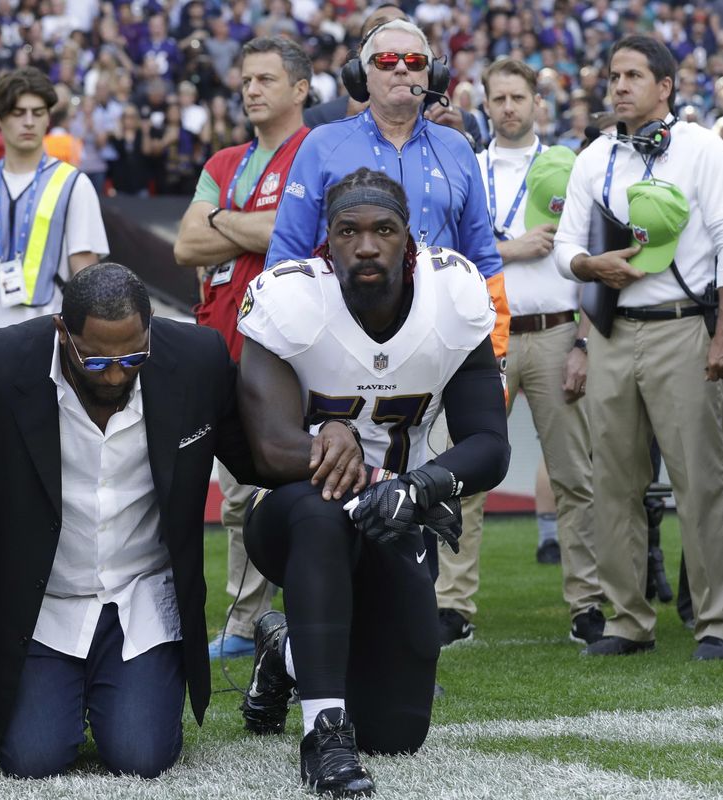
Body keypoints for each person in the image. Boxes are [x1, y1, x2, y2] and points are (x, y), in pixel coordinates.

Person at [0, 262, 259, 779]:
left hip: (141, 598)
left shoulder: (196, 359)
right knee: (32, 760)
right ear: (63, 333)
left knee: (140, 758)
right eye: (97, 360)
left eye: (134, 356)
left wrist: (331, 442)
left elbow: (257, 457)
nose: (118, 374)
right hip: (40, 606)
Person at [235, 167, 509, 798]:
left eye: (383, 230)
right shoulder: (289, 297)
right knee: (321, 511)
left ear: (408, 239)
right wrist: (388, 479)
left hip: (393, 518)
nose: (365, 246)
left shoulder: (455, 294)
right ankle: (323, 734)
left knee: (395, 731)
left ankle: (285, 652)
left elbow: (489, 445)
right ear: (324, 245)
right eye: (347, 231)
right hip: (294, 519)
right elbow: (271, 447)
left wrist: (420, 489)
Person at [266, 18, 510, 590]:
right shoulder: (322, 144)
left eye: (415, 60)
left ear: (434, 74)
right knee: (332, 480)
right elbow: (286, 258)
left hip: (436, 348)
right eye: (386, 61)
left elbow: (483, 259)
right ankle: (312, 629)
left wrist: (494, 348)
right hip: (341, 343)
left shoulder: (457, 148)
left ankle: (419, 624)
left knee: (429, 474)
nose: (402, 69)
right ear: (359, 74)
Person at [553, 35, 723, 660]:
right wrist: (589, 264)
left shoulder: (702, 150)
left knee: (702, 481)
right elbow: (562, 248)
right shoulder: (593, 156)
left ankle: (719, 622)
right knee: (613, 480)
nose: (620, 86)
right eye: (614, 76)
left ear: (666, 87)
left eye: (634, 75)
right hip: (612, 333)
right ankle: (629, 619)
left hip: (684, 328)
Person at [437, 58, 605, 648]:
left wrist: (584, 340)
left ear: (539, 102)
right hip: (487, 338)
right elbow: (451, 257)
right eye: (498, 98)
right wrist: (510, 248)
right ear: (486, 105)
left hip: (559, 331)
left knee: (574, 475)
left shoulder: (569, 168)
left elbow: (592, 263)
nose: (508, 107)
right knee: (467, 475)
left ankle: (586, 603)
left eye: (518, 97)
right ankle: (452, 604)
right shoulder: (469, 167)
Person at [172, 35, 311, 660]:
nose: (251, 90)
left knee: (290, 489)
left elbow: (294, 231)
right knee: (236, 496)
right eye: (246, 81)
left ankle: (299, 610)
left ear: (300, 89)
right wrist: (245, 228)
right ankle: (247, 619)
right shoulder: (223, 161)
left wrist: (220, 221)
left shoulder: (316, 151)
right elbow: (185, 247)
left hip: (290, 350)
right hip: (221, 344)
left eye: (265, 80)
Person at [0, 67, 108, 337]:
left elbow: (85, 271)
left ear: (48, 118)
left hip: (50, 337)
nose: (29, 122)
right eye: (18, 113)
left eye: (38, 112)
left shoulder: (74, 184)